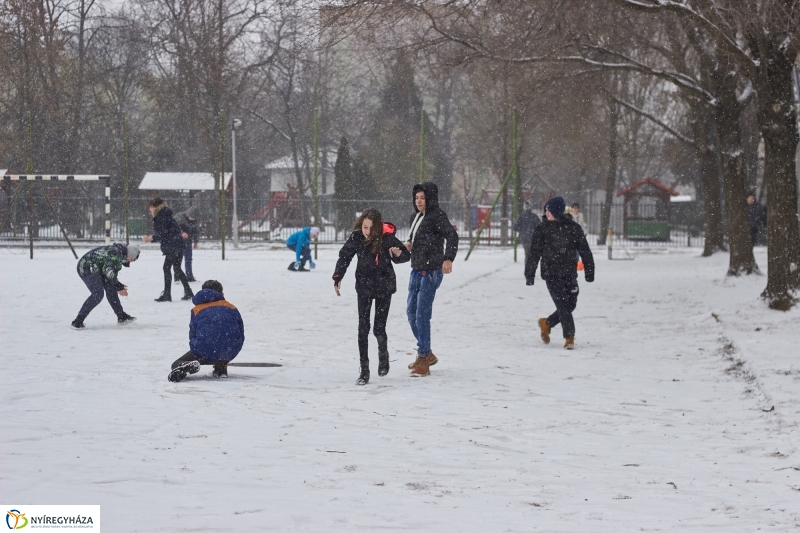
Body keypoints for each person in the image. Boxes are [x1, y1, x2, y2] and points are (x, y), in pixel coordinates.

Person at [333, 208, 411, 385]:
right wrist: (338, 276)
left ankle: (383, 355)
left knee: (378, 328)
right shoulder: (357, 237)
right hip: (364, 287)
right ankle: (364, 370)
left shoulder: (387, 238)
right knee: (363, 328)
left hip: (384, 287)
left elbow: (405, 256)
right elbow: (345, 256)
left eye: (370, 228)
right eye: (365, 227)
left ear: (378, 227)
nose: (367, 232)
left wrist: (399, 255)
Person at [525, 196, 595, 350]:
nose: (546, 213)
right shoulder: (542, 229)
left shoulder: (573, 228)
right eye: (545, 210)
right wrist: (530, 274)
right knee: (563, 303)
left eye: (549, 210)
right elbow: (534, 253)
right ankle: (569, 337)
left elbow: (585, 251)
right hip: (551, 273)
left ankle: (547, 323)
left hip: (569, 272)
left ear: (557, 211)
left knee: (571, 304)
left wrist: (589, 272)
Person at [404, 182, 459, 377]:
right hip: (416, 270)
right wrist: (408, 246)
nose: (418, 201)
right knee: (411, 313)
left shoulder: (437, 216)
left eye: (422, 198)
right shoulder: (416, 217)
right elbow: (417, 240)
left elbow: (452, 236)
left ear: (430, 198)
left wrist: (448, 258)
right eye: (416, 197)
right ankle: (427, 352)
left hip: (431, 271)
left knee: (422, 315)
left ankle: (423, 357)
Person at [168, 280, 245, 382]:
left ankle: (184, 365)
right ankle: (221, 368)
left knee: (176, 363)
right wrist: (234, 345)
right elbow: (241, 330)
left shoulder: (197, 310)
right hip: (230, 350)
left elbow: (193, 333)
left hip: (205, 351)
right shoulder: (231, 307)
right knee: (222, 342)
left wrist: (198, 348)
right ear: (221, 293)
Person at [71, 242, 139, 330]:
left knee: (111, 288)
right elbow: (108, 271)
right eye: (133, 259)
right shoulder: (116, 254)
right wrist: (119, 286)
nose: (131, 261)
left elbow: (110, 274)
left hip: (97, 268)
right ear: (130, 255)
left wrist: (117, 285)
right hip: (86, 267)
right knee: (98, 294)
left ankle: (121, 316)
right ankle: (78, 321)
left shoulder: (120, 254)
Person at [143, 198, 194, 302]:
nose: (150, 209)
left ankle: (168, 294)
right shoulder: (165, 214)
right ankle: (187, 292)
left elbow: (163, 233)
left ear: (156, 207)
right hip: (176, 244)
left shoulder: (161, 216)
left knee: (168, 268)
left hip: (173, 246)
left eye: (151, 207)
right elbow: (171, 230)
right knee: (176, 268)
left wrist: (151, 238)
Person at [173, 206, 200, 282]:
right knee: (178, 259)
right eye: (191, 217)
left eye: (194, 218)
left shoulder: (194, 222)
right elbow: (174, 227)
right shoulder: (179, 217)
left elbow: (196, 231)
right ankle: (177, 276)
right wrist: (181, 232)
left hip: (188, 242)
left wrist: (196, 241)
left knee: (188, 259)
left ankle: (189, 276)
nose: (192, 219)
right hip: (177, 241)